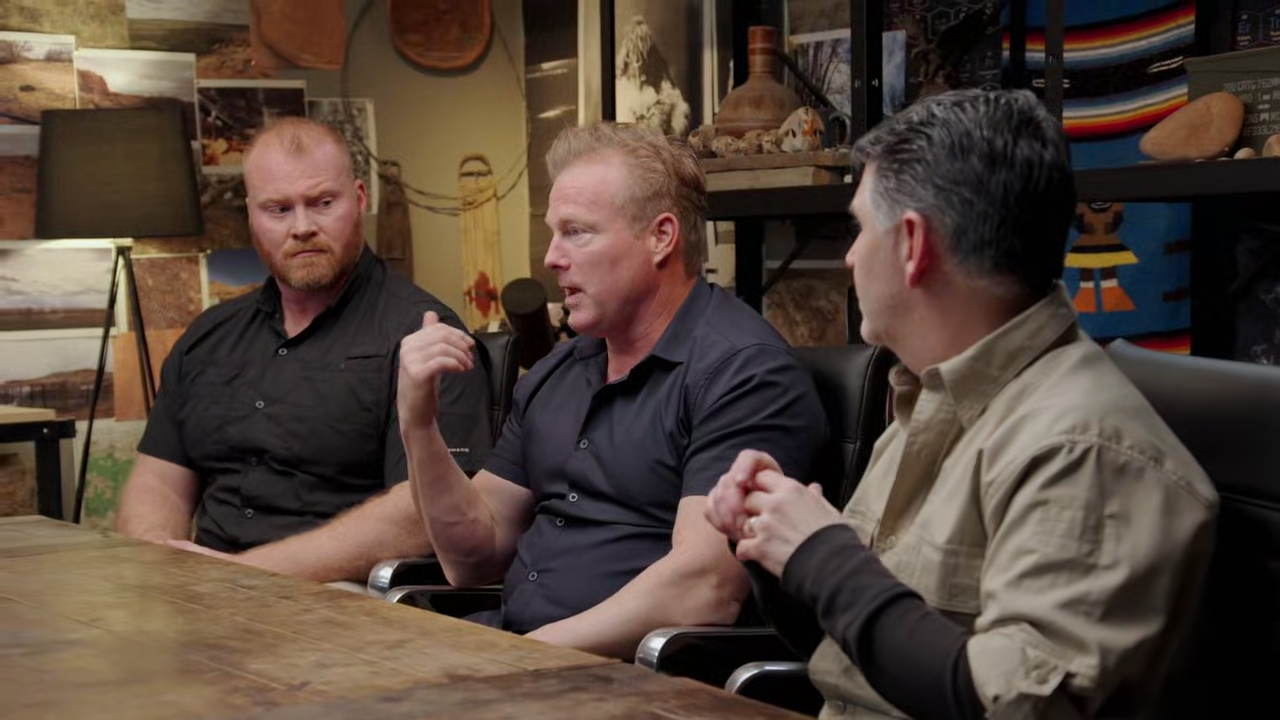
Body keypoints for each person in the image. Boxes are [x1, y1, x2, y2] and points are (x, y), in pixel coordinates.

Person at [706, 89, 1218, 719]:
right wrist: (774, 551)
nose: (850, 255)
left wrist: (823, 556)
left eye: (860, 229)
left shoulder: (1083, 450)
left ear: (912, 244)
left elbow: (1015, 707)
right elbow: (864, 656)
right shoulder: (928, 400)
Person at [396, 122, 827, 660]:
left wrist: (516, 658)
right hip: (519, 655)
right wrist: (418, 423)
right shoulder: (560, 370)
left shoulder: (745, 375)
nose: (552, 257)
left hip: (630, 680)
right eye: (554, 232)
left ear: (661, 237)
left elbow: (705, 589)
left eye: (576, 232)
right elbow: (471, 558)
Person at [116, 117, 491, 583]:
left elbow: (419, 513)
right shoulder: (208, 338)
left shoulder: (424, 336)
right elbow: (158, 481)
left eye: (323, 203)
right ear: (251, 215)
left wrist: (240, 577)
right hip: (205, 595)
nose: (302, 227)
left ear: (359, 199)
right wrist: (162, 567)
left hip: (340, 598)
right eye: (278, 209)